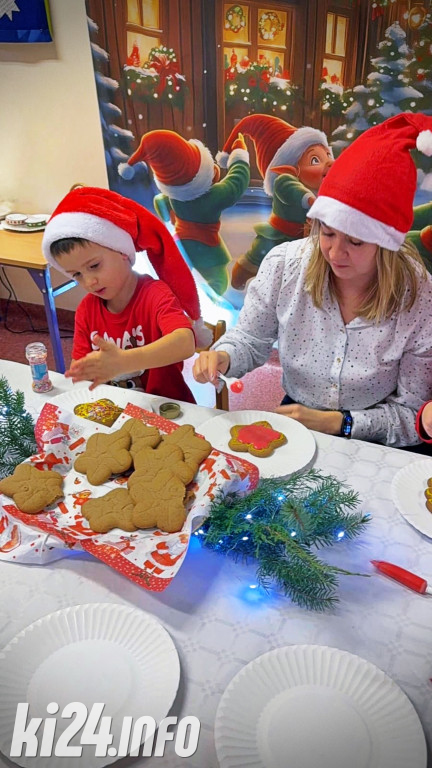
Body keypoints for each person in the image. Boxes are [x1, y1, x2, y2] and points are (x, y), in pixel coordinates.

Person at [193, 113, 432, 448]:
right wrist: (225, 356)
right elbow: (249, 338)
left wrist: (341, 424)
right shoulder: (285, 265)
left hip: (374, 432)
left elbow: (412, 414)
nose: (335, 253)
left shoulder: (417, 294)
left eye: (356, 242)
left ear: (386, 244)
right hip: (296, 416)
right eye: (328, 233)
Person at [42, 186, 210, 401]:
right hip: (113, 408)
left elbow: (185, 343)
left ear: (122, 252)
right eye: (77, 274)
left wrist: (124, 361)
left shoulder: (155, 294)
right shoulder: (87, 309)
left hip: (166, 408)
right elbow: (83, 370)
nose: (89, 281)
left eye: (94, 266)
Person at [120, 129, 250, 296]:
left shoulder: (174, 196)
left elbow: (160, 200)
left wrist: (169, 218)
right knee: (219, 280)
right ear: (201, 177)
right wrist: (240, 156)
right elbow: (236, 183)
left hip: (180, 246)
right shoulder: (211, 197)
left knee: (181, 276)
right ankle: (208, 302)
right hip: (207, 251)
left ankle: (184, 298)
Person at [216, 114, 333, 290]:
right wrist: (310, 200)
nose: (328, 163)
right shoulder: (285, 180)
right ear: (291, 167)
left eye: (327, 156)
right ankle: (240, 278)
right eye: (315, 160)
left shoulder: (322, 188)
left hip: (304, 239)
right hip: (279, 235)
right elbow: (294, 191)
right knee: (256, 260)